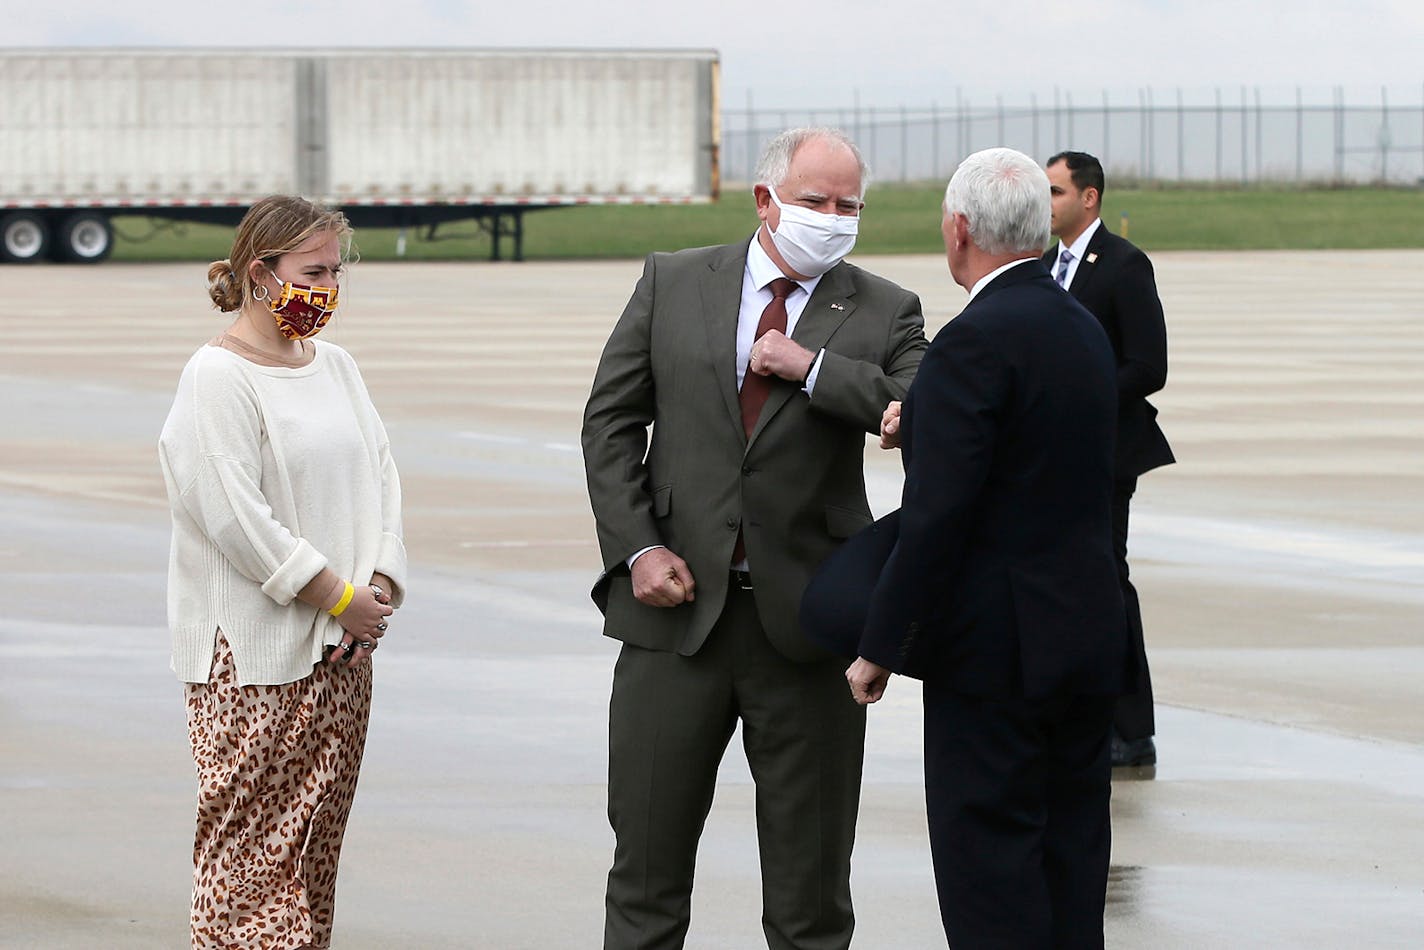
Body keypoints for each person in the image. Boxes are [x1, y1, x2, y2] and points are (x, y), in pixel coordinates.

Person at [581, 127, 927, 950]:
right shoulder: (673, 280)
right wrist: (638, 548)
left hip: (810, 632)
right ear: (766, 200)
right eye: (816, 201)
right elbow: (610, 422)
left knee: (810, 897)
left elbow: (923, 406)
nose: (834, 218)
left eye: (850, 205)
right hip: (674, 624)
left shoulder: (885, 307)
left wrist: (810, 367)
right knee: (645, 881)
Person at [846, 147, 1128, 948]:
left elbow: (940, 516)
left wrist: (879, 647)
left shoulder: (973, 340)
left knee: (990, 878)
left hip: (1000, 653)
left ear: (960, 230)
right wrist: (929, 425)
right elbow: (1035, 457)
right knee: (1070, 865)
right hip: (1082, 634)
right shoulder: (1078, 324)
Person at [158, 195, 406, 949]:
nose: (327, 289)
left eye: (335, 272)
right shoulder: (216, 378)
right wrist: (336, 596)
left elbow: (382, 476)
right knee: (249, 855)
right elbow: (235, 516)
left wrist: (381, 585)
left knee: (311, 850)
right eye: (312, 271)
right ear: (260, 274)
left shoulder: (337, 367)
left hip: (341, 652)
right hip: (255, 660)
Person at [1043, 150, 1174, 768]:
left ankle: (1131, 728)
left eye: (1055, 192)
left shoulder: (1124, 265)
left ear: (1088, 198)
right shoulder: (1043, 266)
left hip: (1107, 453)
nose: (1046, 204)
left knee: (1107, 584)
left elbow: (1149, 366)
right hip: (1053, 459)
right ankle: (1076, 715)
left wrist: (1079, 398)